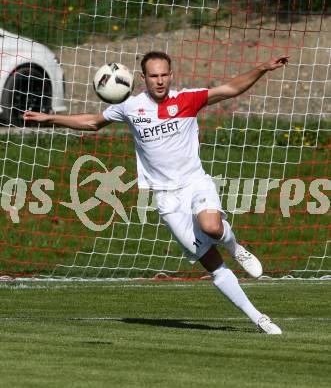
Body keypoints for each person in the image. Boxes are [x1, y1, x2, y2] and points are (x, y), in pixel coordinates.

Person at [24, 50, 288, 334]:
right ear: (142, 78)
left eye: (164, 75)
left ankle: (237, 249)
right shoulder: (129, 107)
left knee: (211, 227)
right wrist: (49, 119)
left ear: (171, 75)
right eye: (153, 76)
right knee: (211, 263)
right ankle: (258, 318)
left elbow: (231, 89)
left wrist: (262, 67)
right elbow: (92, 122)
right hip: (166, 197)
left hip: (195, 183)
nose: (160, 81)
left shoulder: (188, 99)